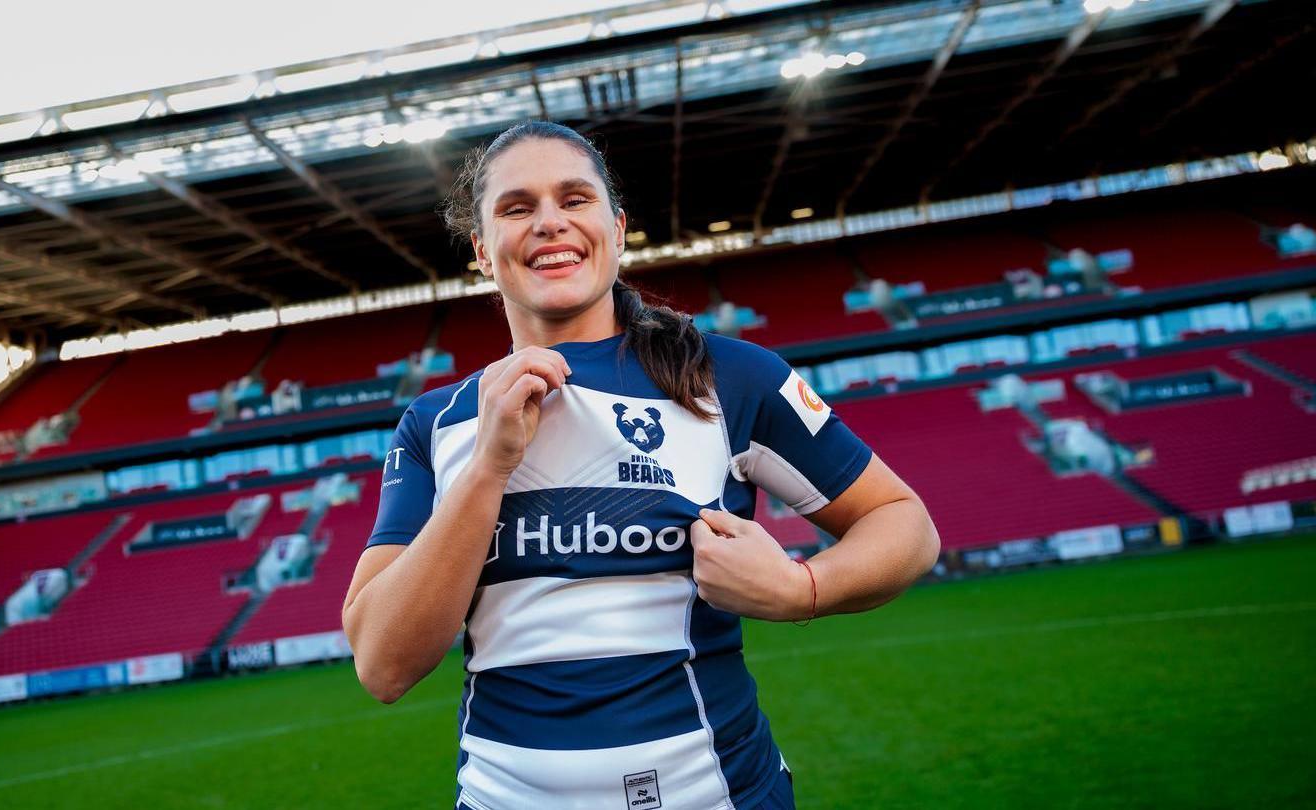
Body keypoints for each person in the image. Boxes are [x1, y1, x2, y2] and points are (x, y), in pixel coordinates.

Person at [341, 121, 940, 810]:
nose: (549, 223)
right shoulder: (436, 425)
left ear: (617, 228)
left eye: (575, 199)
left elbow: (906, 526)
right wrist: (487, 469)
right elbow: (383, 664)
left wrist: (801, 589)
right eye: (516, 208)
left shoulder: (729, 378)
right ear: (482, 250)